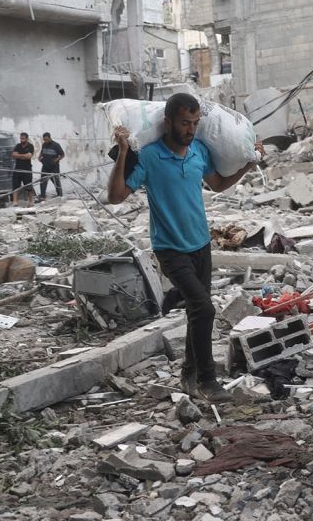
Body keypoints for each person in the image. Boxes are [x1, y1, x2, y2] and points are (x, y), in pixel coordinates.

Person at [107, 93, 261, 403]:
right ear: (168, 122)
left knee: (196, 311)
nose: (190, 129)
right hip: (170, 248)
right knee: (204, 308)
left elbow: (217, 184)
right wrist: (124, 152)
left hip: (200, 245)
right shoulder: (150, 156)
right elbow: (116, 195)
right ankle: (207, 379)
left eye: (194, 123)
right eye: (184, 123)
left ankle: (189, 376)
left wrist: (248, 163)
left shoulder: (199, 151)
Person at [37, 132, 65, 200]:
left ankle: (60, 196)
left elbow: (62, 155)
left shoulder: (56, 145)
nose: (45, 141)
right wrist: (39, 157)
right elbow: (42, 153)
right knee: (43, 182)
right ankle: (42, 197)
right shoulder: (44, 145)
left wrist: (56, 160)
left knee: (56, 182)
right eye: (44, 140)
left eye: (46, 139)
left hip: (54, 167)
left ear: (50, 138)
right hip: (45, 166)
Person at [11, 132, 35, 206]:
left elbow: (29, 156)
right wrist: (24, 155)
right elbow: (14, 155)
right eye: (21, 138)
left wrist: (19, 155)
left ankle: (30, 202)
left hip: (27, 169)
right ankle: (15, 202)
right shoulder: (18, 146)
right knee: (15, 185)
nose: (21, 140)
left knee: (29, 186)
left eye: (23, 138)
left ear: (27, 138)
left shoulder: (30, 146)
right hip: (17, 168)